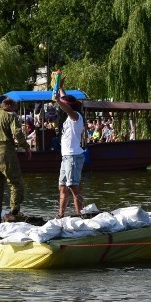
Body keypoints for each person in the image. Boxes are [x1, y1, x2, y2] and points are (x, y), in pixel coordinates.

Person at [0, 96, 31, 223]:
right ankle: (14, 212)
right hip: (6, 151)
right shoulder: (11, 116)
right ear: (9, 106)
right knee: (15, 182)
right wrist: (26, 147)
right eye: (14, 108)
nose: (15, 111)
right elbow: (17, 132)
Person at [55, 88, 85, 219]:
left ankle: (80, 214)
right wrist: (60, 86)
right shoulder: (69, 117)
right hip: (66, 157)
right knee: (62, 187)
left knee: (73, 186)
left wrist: (57, 100)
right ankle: (60, 215)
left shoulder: (76, 117)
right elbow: (64, 99)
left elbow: (67, 108)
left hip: (73, 156)